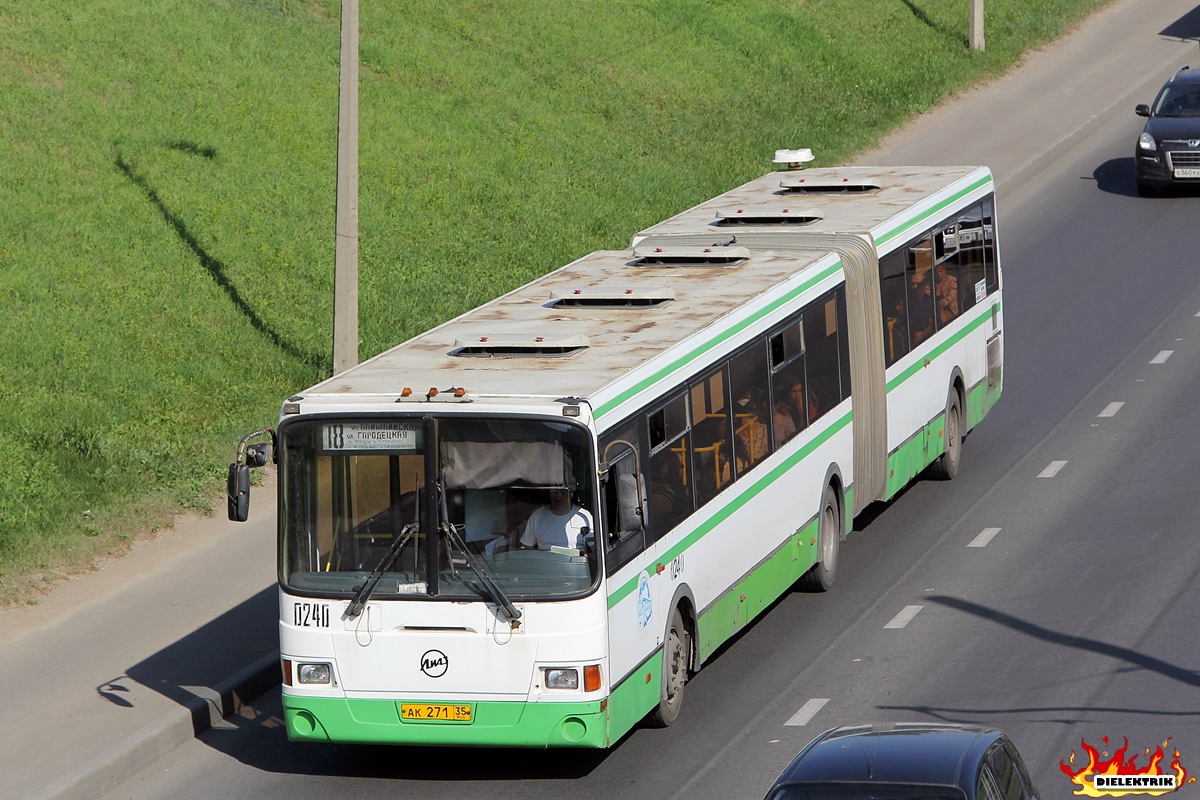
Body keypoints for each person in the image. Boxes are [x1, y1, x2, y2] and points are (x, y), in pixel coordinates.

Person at [518, 488, 594, 552]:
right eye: (555, 492)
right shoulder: (537, 515)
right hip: (544, 565)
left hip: (575, 566)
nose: (558, 496)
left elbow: (595, 550)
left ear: (571, 493)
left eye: (562, 492)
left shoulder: (584, 516)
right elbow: (525, 547)